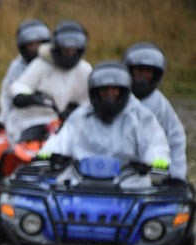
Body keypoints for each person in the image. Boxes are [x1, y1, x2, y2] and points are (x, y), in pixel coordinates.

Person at [38, 61, 170, 171]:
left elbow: (155, 144)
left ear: (123, 90)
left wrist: (158, 160)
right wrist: (47, 152)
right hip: (82, 184)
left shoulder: (141, 117)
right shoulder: (80, 116)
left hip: (129, 185)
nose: (110, 93)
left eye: (114, 89)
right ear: (95, 91)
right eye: (104, 89)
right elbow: (61, 140)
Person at [8, 20, 92, 143]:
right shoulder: (41, 64)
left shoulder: (84, 69)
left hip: (70, 124)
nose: (69, 54)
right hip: (35, 120)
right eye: (65, 50)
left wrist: (76, 110)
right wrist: (29, 97)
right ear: (57, 48)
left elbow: (89, 101)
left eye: (72, 50)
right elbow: (20, 86)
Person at [123, 42, 188, 180]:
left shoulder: (160, 104)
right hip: (115, 165)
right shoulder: (117, 96)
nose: (142, 75)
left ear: (156, 74)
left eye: (148, 71)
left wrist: (176, 175)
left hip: (147, 171)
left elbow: (176, 138)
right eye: (139, 70)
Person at [0, 19, 51, 127]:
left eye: (38, 44)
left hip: (53, 112)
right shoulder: (18, 67)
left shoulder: (56, 62)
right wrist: (31, 96)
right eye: (31, 45)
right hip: (25, 116)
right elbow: (14, 92)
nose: (36, 48)